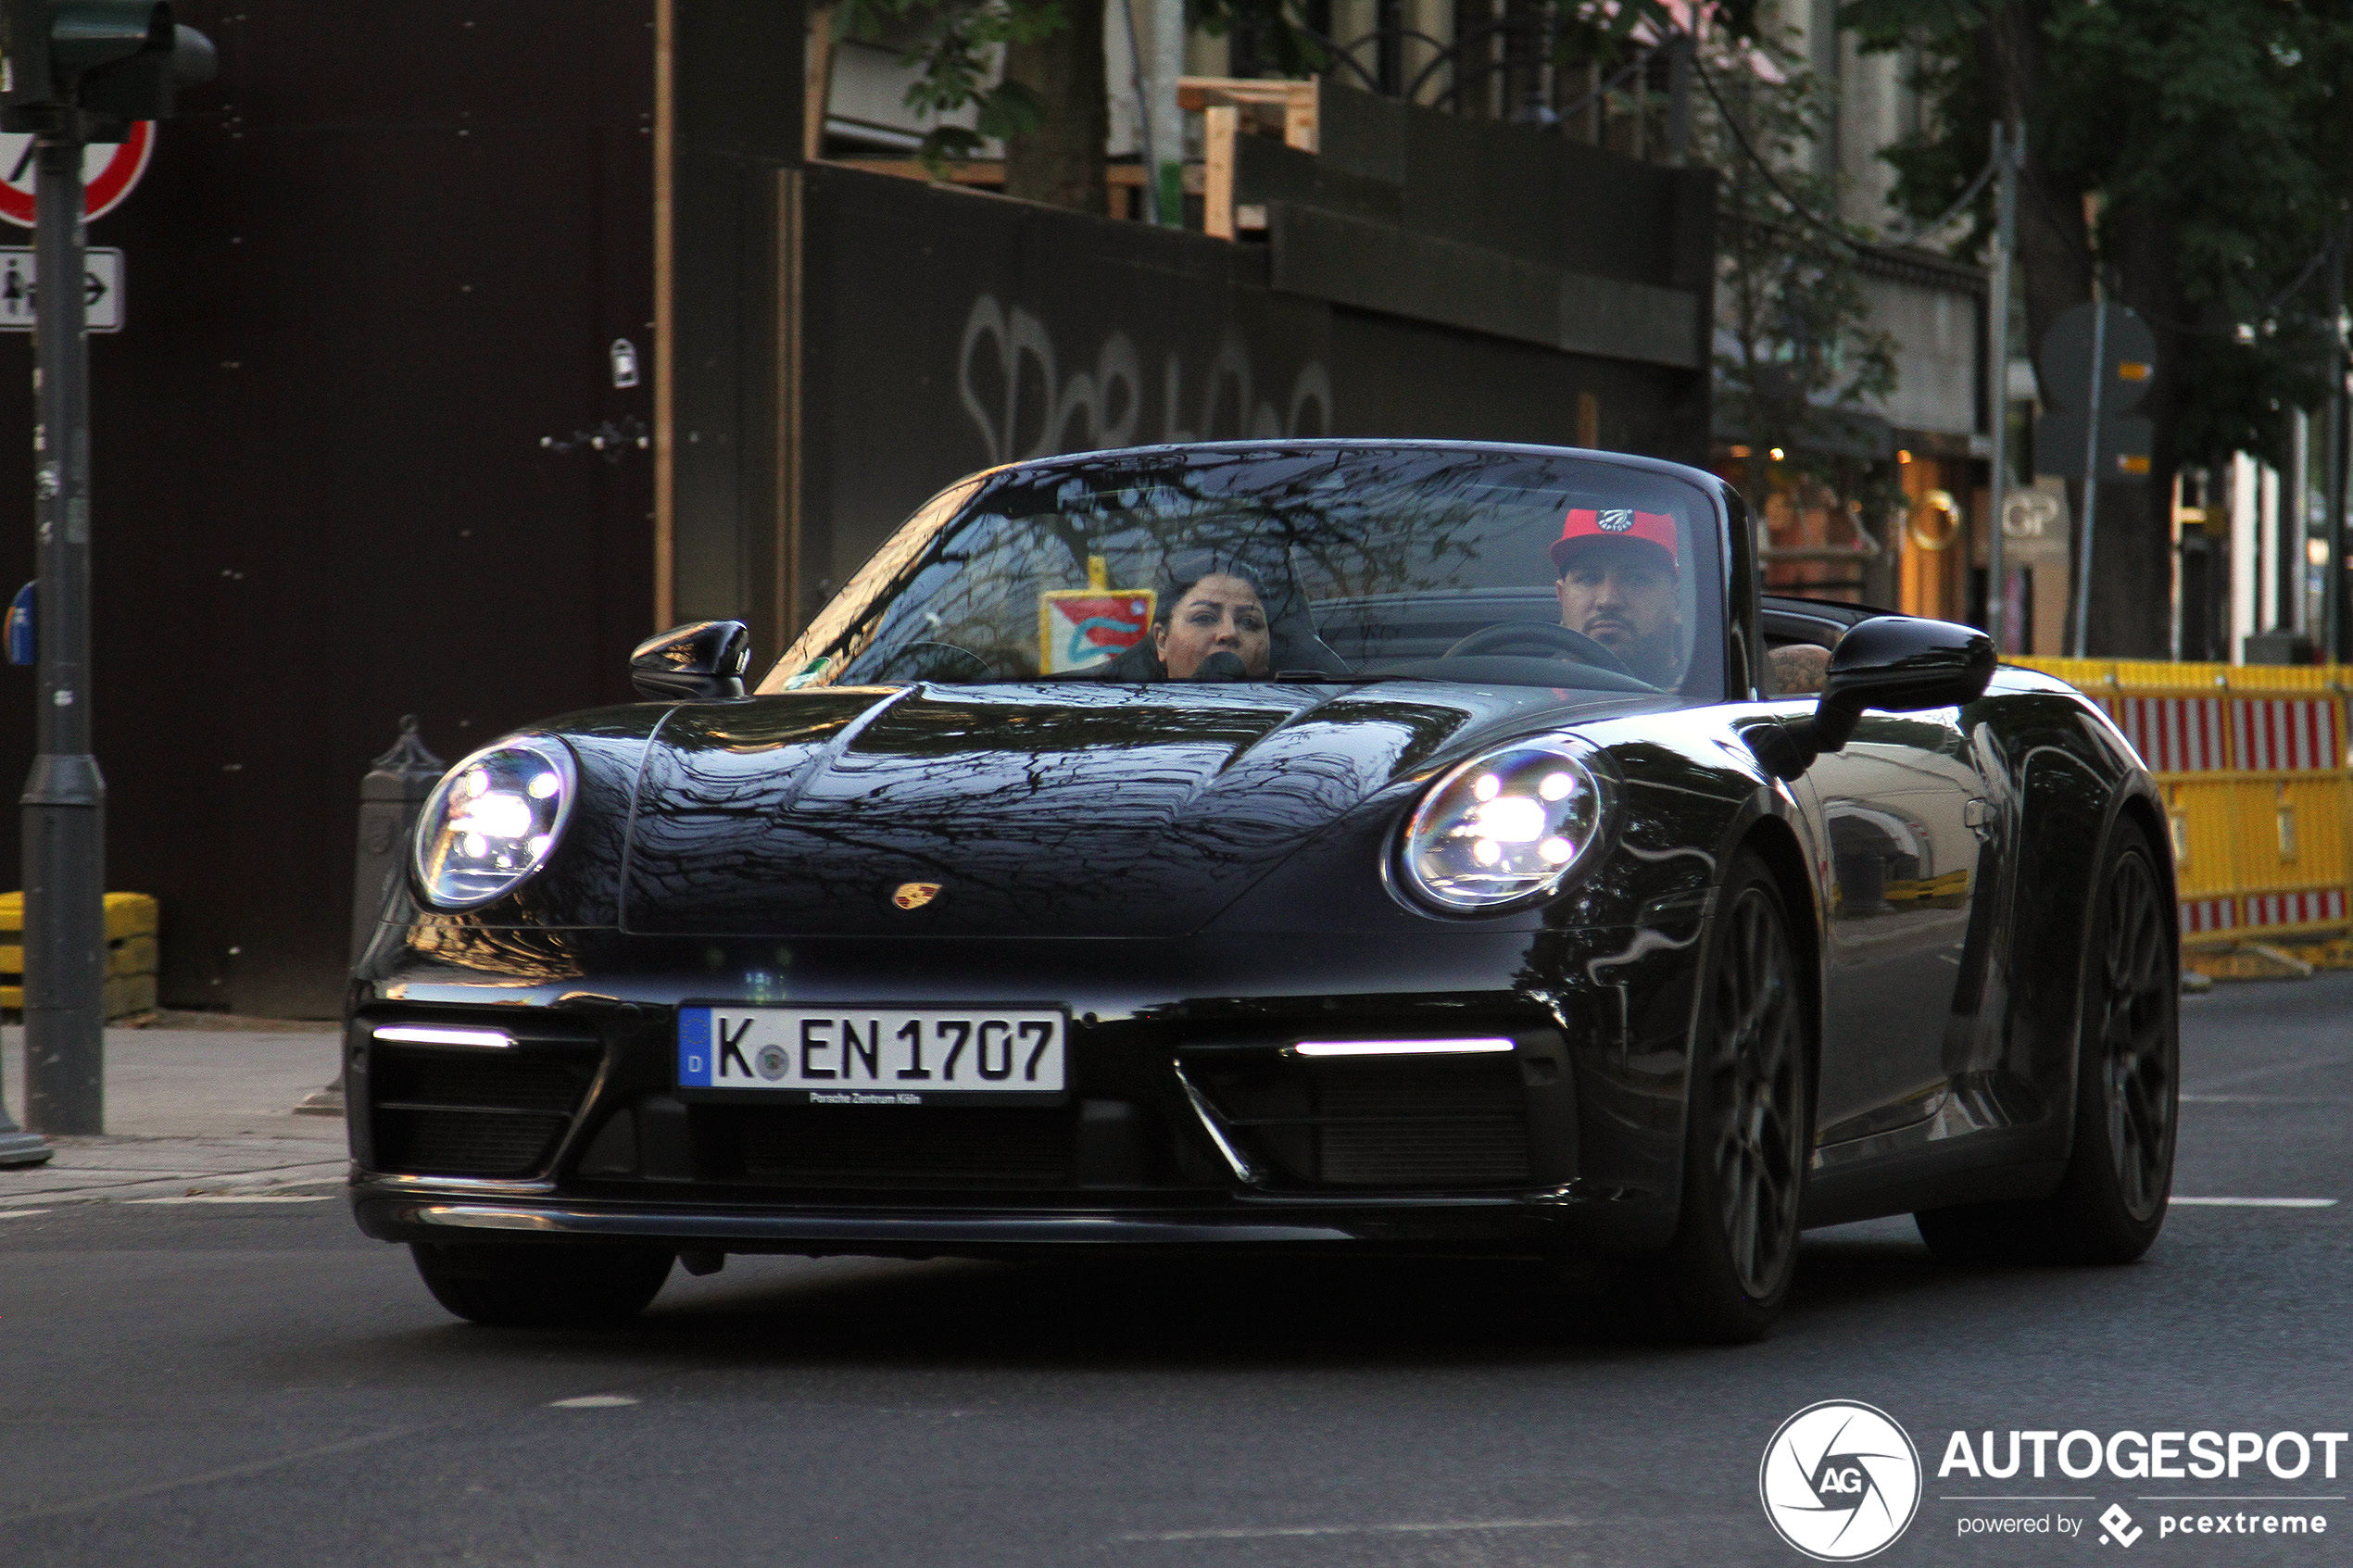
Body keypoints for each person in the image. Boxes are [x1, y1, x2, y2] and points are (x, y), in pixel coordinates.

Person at [1550, 507, 1684, 685]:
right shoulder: (1529, 692)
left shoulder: (1713, 697)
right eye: (1588, 578)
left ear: (1678, 603)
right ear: (1562, 597)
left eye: (1637, 579)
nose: (1607, 600)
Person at [1150, 559, 1273, 679]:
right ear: (1162, 642)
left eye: (1248, 622)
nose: (1229, 633)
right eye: (1204, 618)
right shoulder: (1133, 694)